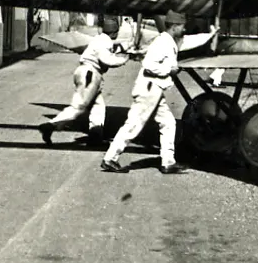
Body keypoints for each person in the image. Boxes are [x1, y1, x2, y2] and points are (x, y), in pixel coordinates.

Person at [102, 9, 187, 175]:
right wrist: (170, 70)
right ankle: (110, 158)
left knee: (168, 123)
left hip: (155, 89)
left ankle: (168, 162)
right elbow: (148, 64)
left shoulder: (167, 40)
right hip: (149, 88)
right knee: (134, 125)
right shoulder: (163, 42)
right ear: (175, 26)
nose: (184, 29)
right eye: (182, 26)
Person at [39, 15, 130, 144]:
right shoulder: (105, 42)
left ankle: (95, 135)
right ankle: (50, 126)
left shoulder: (99, 39)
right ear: (115, 32)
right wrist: (123, 59)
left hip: (86, 72)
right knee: (78, 107)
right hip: (90, 74)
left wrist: (122, 48)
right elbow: (107, 59)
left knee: (98, 106)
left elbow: (109, 51)